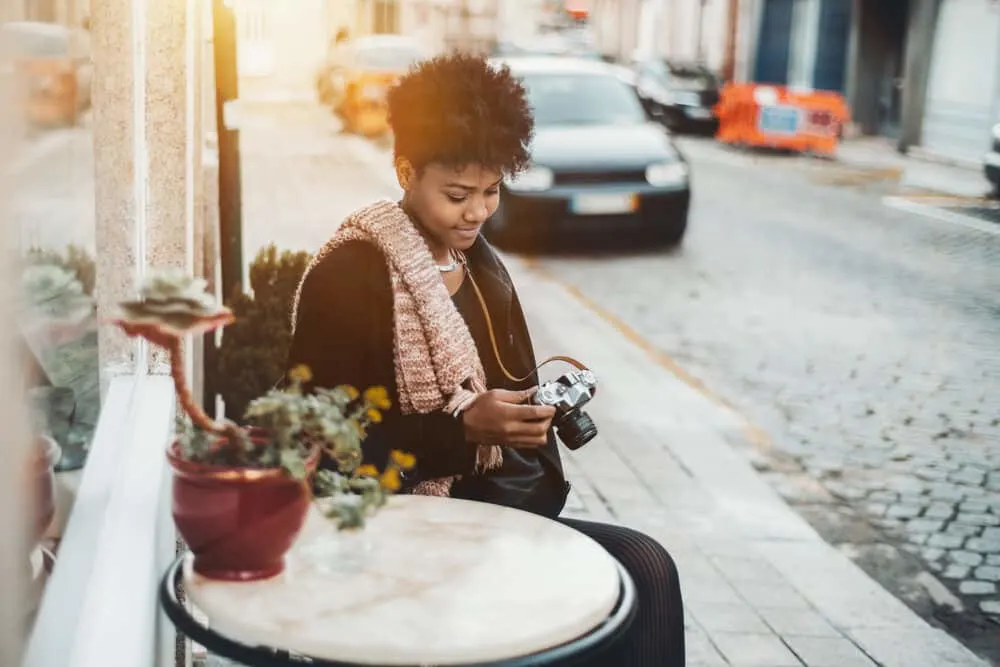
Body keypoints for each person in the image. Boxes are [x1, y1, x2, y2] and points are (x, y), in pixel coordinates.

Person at [287, 52, 685, 667]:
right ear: (404, 170)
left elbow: (516, 390)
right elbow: (317, 442)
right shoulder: (352, 273)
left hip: (494, 518)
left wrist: (530, 416)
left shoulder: (482, 267)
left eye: (492, 190)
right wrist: (463, 432)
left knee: (647, 569)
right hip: (393, 530)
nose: (478, 212)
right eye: (457, 194)